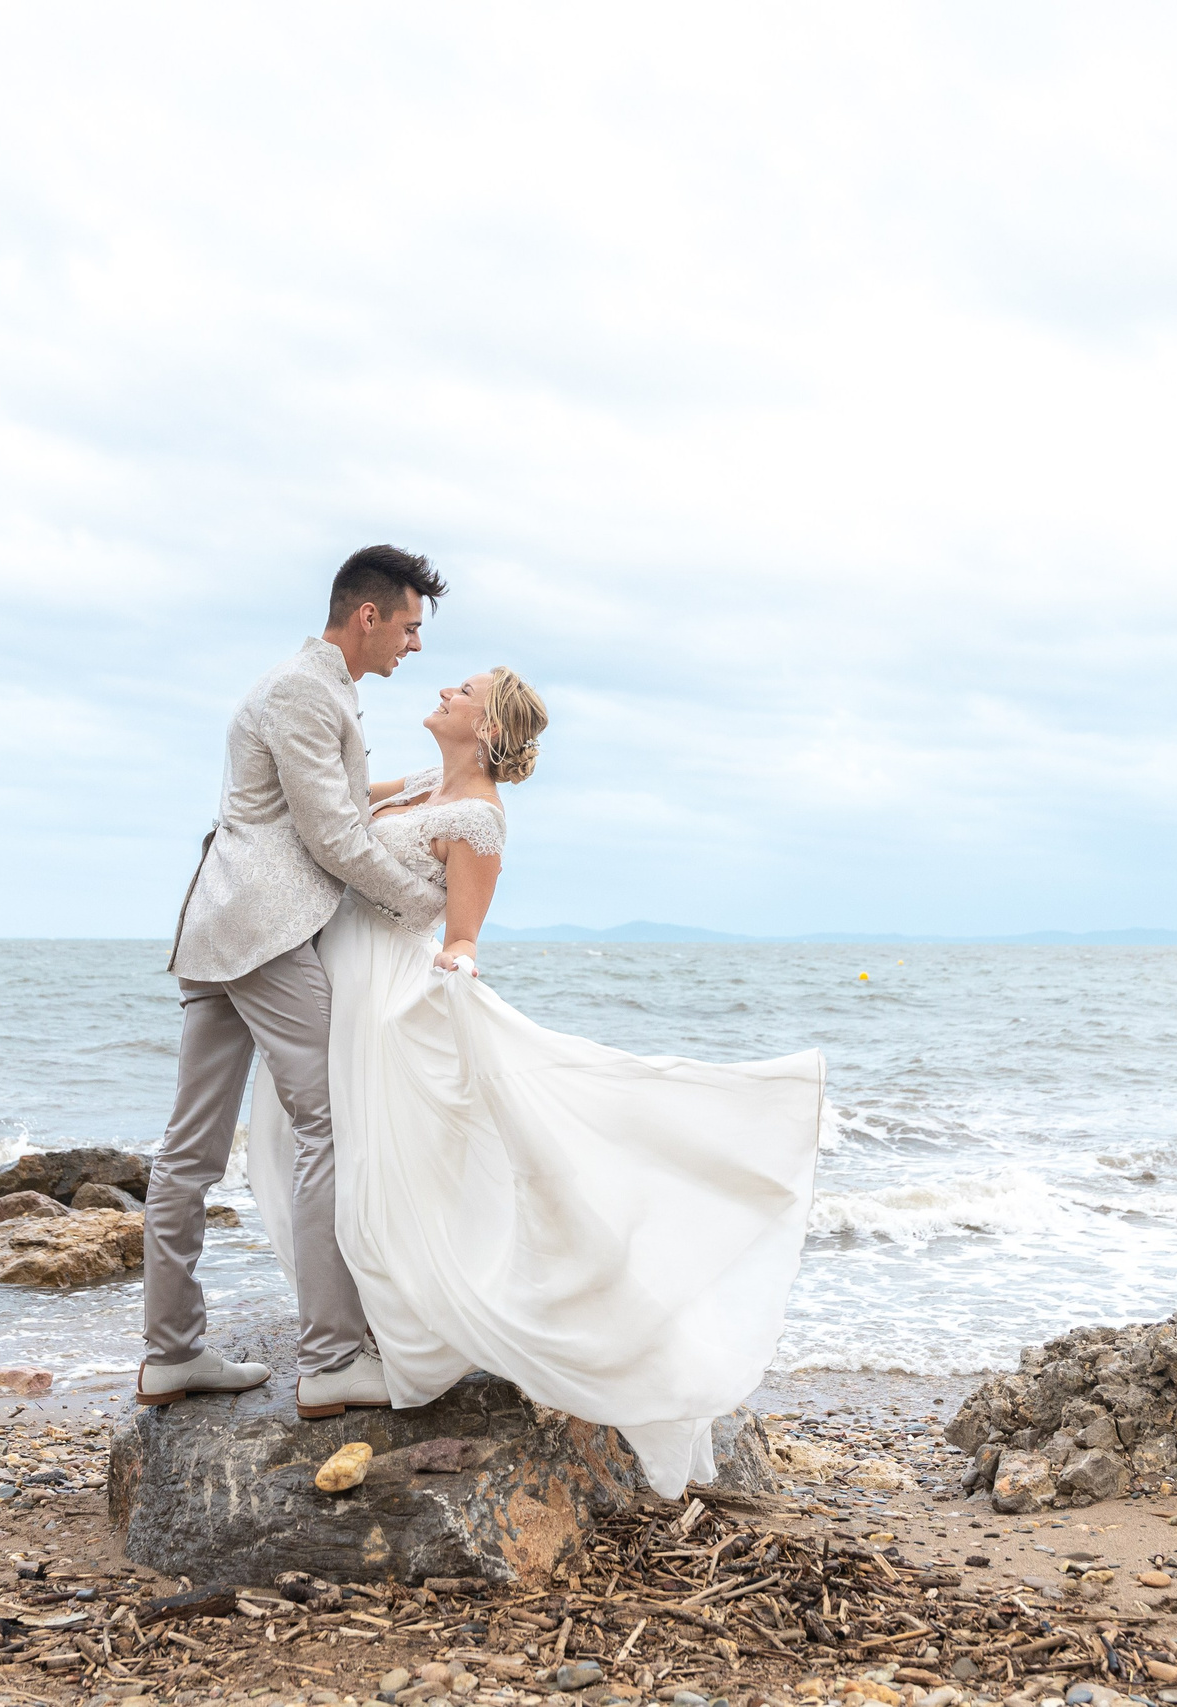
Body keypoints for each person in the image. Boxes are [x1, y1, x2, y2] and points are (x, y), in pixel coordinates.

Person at [242, 665, 828, 1497]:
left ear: (485, 728)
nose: (445, 687)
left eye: (464, 689)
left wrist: (461, 957)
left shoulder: (479, 819)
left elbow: (466, 929)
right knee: (337, 1152)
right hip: (338, 986)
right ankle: (356, 1322)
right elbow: (326, 804)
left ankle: (406, 1324)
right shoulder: (415, 781)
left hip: (388, 998)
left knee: (387, 1165)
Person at [137, 545, 450, 1418]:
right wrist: (427, 904)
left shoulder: (310, 689)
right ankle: (331, 1358)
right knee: (330, 1128)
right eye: (411, 627)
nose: (415, 646)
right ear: (368, 616)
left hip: (219, 928)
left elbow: (328, 797)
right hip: (268, 936)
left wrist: (419, 785)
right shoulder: (307, 691)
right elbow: (332, 839)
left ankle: (170, 1354)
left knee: (191, 1149)